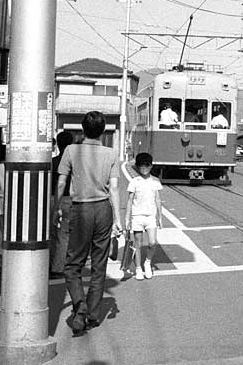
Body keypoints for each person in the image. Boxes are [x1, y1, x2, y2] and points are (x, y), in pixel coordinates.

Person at [55, 111, 123, 336]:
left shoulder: (71, 150)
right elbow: (113, 188)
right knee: (99, 264)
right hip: (103, 209)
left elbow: (62, 181)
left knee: (73, 265)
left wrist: (56, 208)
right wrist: (118, 219)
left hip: (80, 209)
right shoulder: (111, 154)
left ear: (82, 129)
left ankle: (79, 305)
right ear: (103, 131)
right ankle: (92, 315)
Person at [125, 152, 163, 280]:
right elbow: (129, 200)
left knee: (153, 242)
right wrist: (127, 218)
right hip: (137, 216)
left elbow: (158, 199)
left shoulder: (155, 181)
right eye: (141, 166)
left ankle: (147, 262)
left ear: (151, 166)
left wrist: (160, 217)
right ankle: (138, 269)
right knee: (138, 244)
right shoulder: (134, 182)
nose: (144, 168)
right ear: (137, 167)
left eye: (147, 166)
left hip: (150, 216)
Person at [49, 130, 75, 279]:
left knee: (51, 234)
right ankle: (58, 267)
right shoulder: (74, 164)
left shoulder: (52, 162)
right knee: (63, 235)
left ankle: (51, 263)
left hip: (51, 198)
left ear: (57, 144)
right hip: (68, 200)